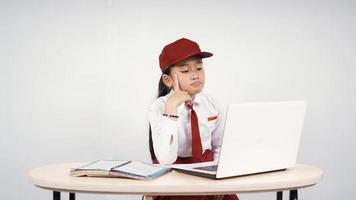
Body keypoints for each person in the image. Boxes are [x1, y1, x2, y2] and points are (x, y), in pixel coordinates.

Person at [147, 38, 239, 200]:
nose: (195, 75)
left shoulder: (212, 103)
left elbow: (219, 146)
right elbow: (165, 159)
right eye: (185, 71)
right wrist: (172, 108)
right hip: (173, 176)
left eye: (199, 68)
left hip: (208, 173)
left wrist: (219, 180)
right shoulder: (158, 107)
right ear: (168, 80)